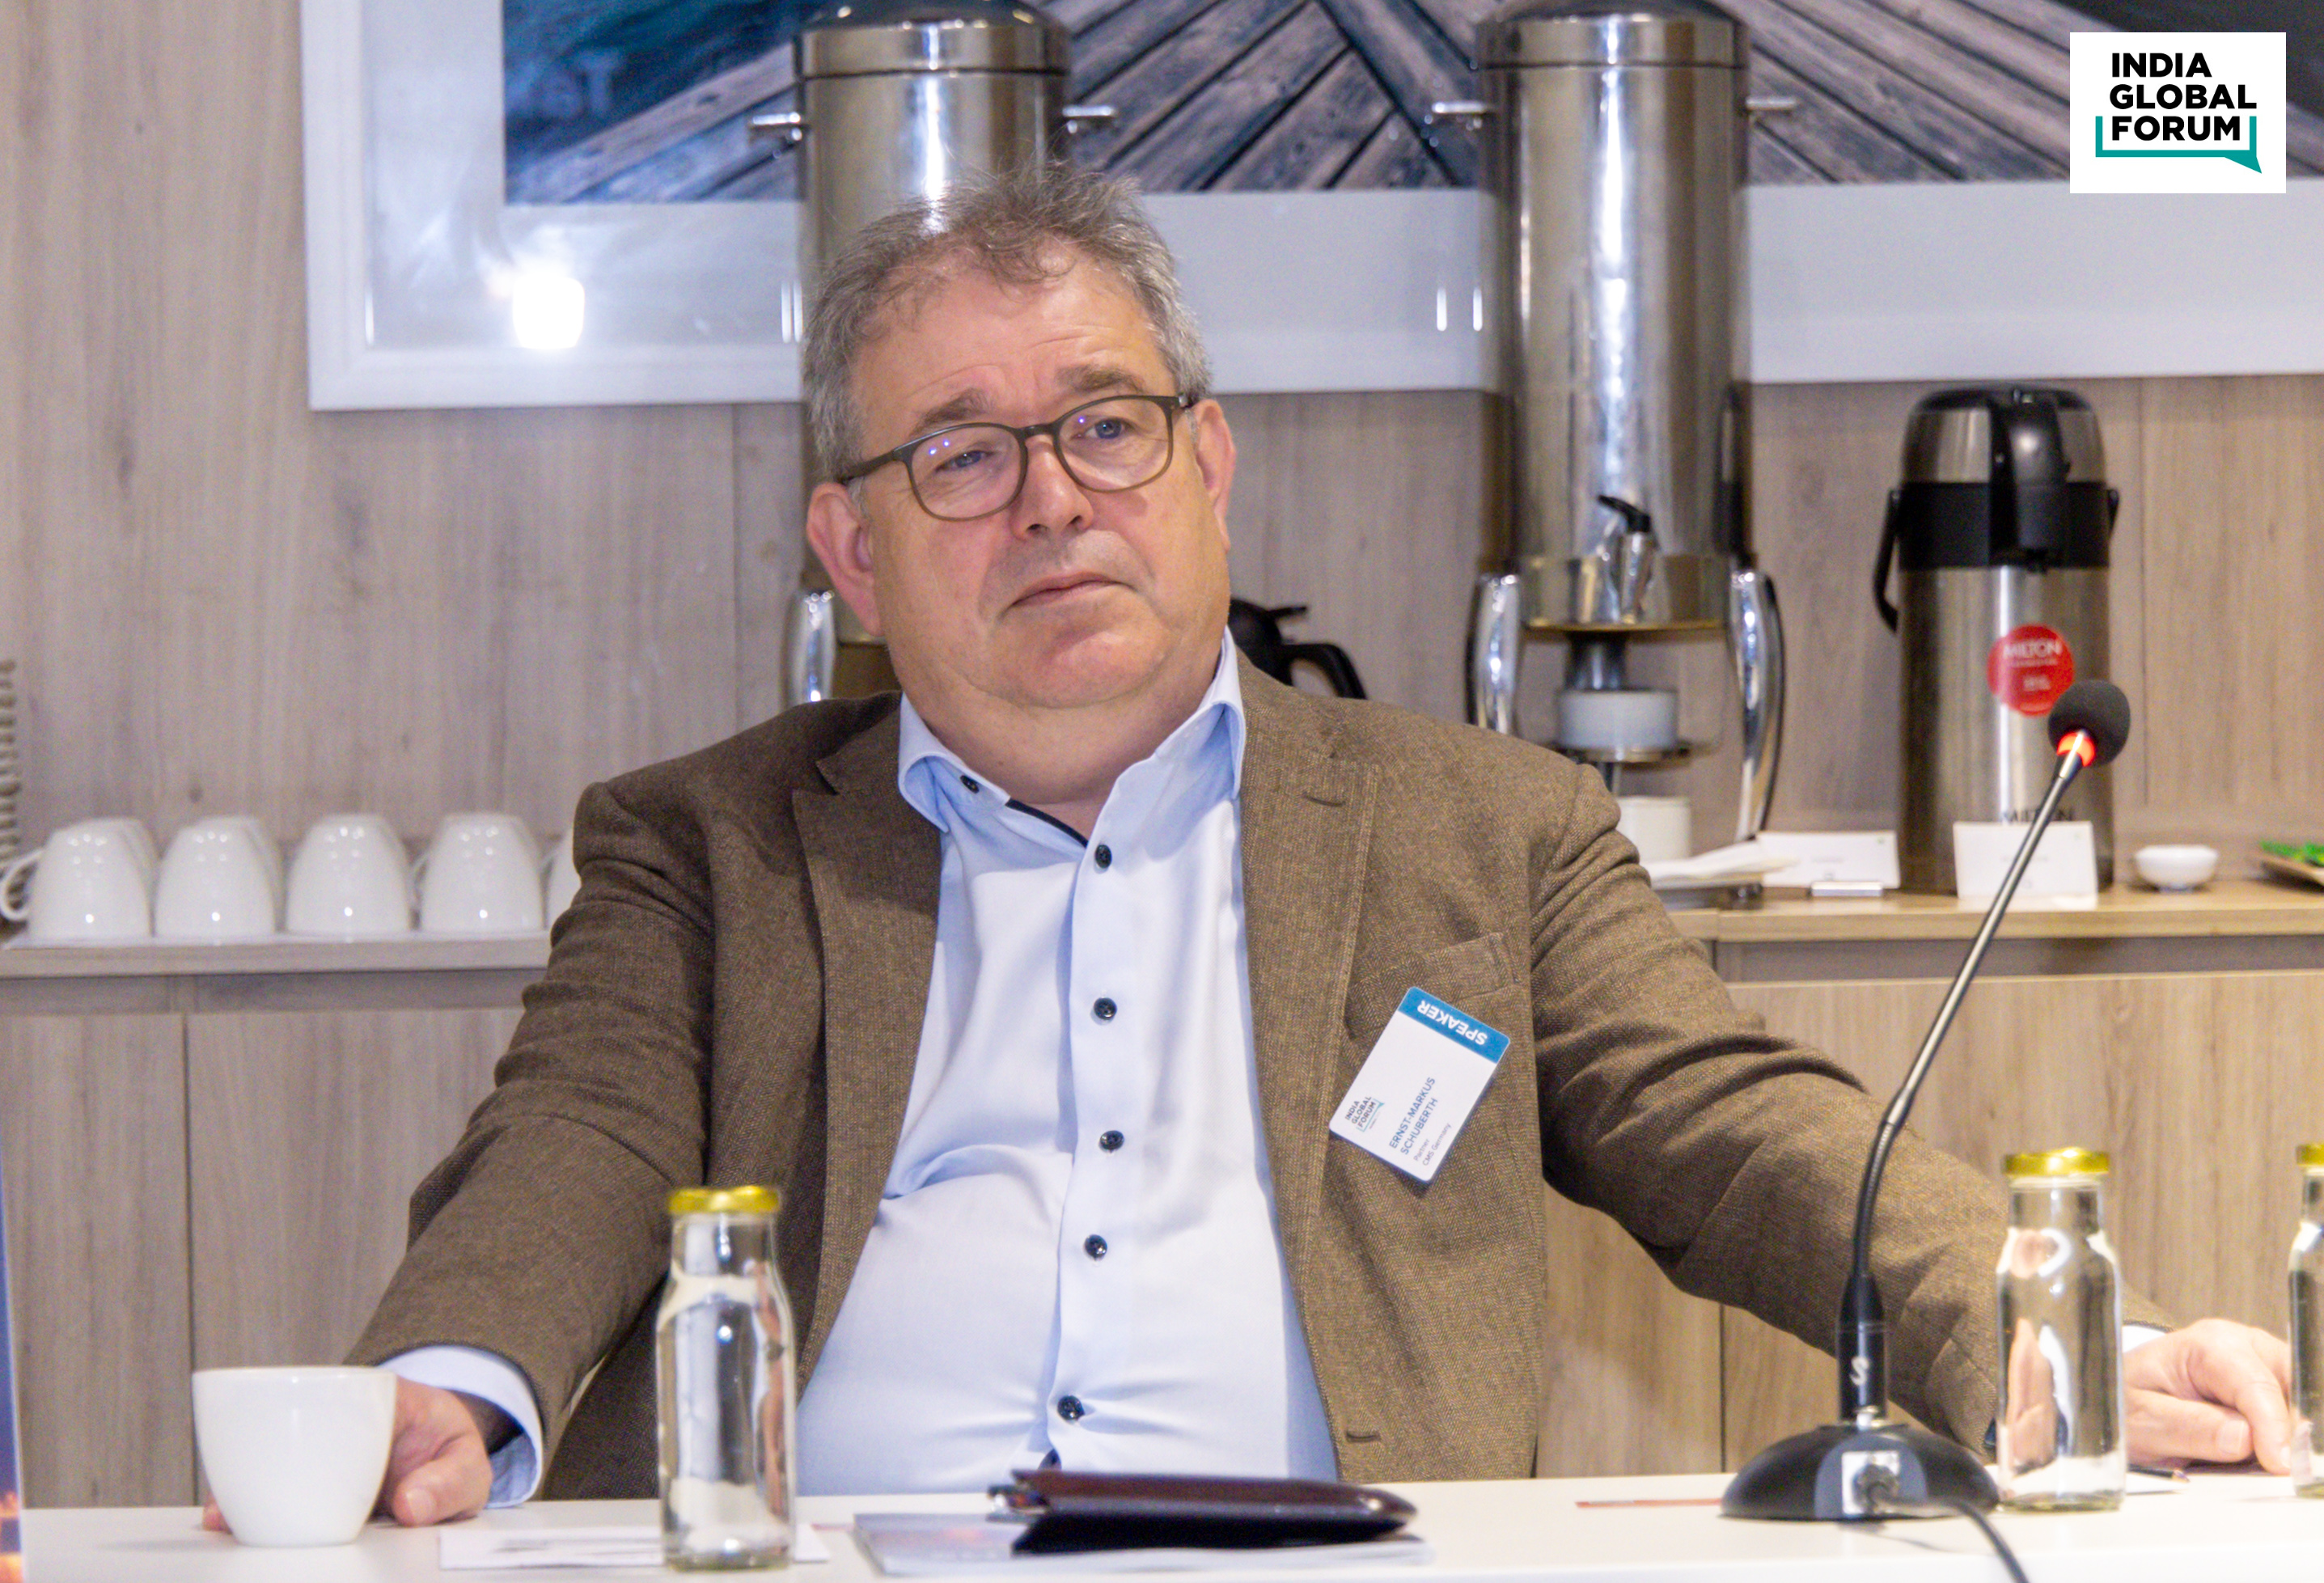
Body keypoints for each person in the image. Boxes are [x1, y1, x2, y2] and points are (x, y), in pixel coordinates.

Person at [247, 164, 2290, 1530]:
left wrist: (2035, 1325)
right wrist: (450, 1385)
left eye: (1105, 424)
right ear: (851, 552)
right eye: (961, 454)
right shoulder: (702, 846)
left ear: (1208, 465)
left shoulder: (1478, 828)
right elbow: (571, 1148)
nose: (1053, 499)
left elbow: (1738, 1128)